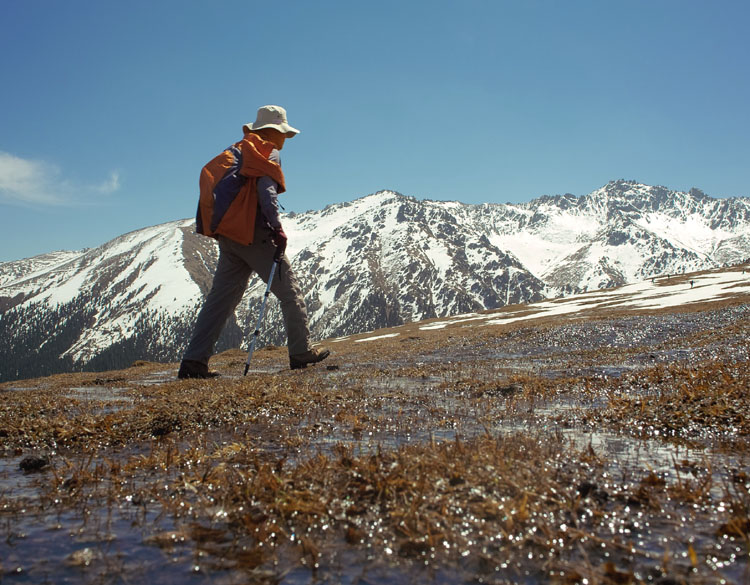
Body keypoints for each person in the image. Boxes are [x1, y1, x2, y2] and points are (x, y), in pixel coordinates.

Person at [178, 105, 329, 379]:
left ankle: (193, 362)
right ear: (274, 131)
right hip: (256, 235)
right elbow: (266, 192)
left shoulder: (237, 150)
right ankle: (301, 352)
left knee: (220, 301)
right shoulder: (267, 151)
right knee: (290, 293)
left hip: (230, 236)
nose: (285, 139)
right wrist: (276, 228)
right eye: (284, 132)